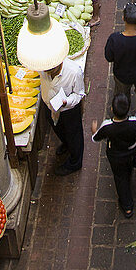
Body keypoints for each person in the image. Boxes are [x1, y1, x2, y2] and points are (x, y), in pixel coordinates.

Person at [91, 94, 136, 218]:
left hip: (115, 156)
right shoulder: (135, 123)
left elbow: (96, 138)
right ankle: (128, 174)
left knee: (120, 178)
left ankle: (127, 206)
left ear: (112, 109)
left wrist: (94, 130)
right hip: (131, 153)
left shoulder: (107, 126)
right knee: (127, 170)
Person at [40, 40, 86, 175]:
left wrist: (66, 102)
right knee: (58, 128)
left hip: (68, 110)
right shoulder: (42, 68)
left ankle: (75, 162)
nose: (47, 72)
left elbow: (79, 94)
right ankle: (66, 143)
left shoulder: (73, 72)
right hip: (49, 107)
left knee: (74, 135)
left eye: (51, 70)